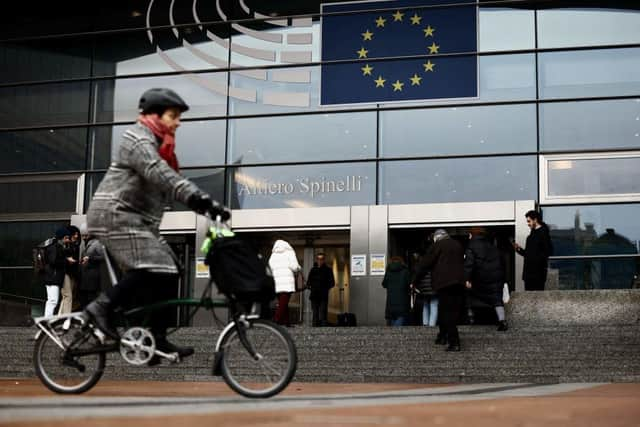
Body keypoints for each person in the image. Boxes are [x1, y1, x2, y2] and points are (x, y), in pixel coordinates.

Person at [83, 88, 230, 363]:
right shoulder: (137, 139)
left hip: (138, 222)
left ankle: (155, 338)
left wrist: (201, 204)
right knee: (155, 266)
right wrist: (202, 200)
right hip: (114, 216)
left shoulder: (162, 146)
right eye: (173, 116)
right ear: (155, 115)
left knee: (172, 267)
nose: (178, 122)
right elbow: (161, 175)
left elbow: (169, 178)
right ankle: (100, 308)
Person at [414, 229, 465, 352]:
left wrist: (414, 280)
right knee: (448, 310)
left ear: (437, 237)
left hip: (444, 283)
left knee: (446, 311)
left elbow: (425, 264)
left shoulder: (437, 245)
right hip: (458, 283)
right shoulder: (457, 245)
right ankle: (442, 336)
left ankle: (454, 341)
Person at [464, 227, 508, 331]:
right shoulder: (492, 246)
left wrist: (467, 279)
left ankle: (471, 317)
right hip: (496, 278)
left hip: (480, 278)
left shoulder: (471, 246)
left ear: (472, 235)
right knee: (497, 299)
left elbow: (469, 264)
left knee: (469, 295)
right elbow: (502, 262)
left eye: (469, 235)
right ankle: (502, 321)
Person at [513, 210, 553, 291]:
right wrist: (518, 249)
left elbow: (548, 251)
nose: (528, 224)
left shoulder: (543, 233)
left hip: (537, 275)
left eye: (529, 221)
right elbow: (528, 254)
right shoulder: (532, 234)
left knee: (536, 299)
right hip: (529, 275)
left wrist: (535, 260)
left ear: (535, 220)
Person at [268, 239, 301, 327]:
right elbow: (294, 267)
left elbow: (270, 266)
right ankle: (276, 320)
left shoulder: (273, 254)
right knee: (283, 303)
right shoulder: (289, 252)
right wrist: (298, 268)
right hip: (287, 282)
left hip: (277, 281)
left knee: (283, 302)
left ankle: (287, 322)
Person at [43, 228, 71, 317]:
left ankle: (47, 320)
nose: (67, 240)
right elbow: (53, 261)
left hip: (52, 277)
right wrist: (66, 260)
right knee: (53, 300)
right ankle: (47, 321)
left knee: (52, 300)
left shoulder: (56, 246)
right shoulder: (54, 247)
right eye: (66, 238)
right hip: (52, 277)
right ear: (60, 238)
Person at [79, 231, 107, 309]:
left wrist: (90, 258)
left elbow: (103, 257)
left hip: (92, 276)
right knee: (84, 298)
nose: (84, 238)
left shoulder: (97, 243)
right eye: (83, 236)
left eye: (85, 235)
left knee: (91, 298)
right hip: (85, 276)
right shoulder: (85, 244)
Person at [307, 253, 335, 327]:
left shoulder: (328, 270)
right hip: (314, 294)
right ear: (316, 260)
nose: (320, 260)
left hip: (323, 294)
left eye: (321, 259)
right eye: (318, 259)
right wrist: (311, 287)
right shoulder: (313, 270)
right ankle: (315, 325)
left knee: (323, 311)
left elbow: (332, 282)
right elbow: (308, 282)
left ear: (324, 260)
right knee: (315, 312)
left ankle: (323, 326)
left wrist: (325, 288)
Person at [382, 256, 411, 326]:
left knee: (392, 325)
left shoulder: (388, 271)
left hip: (391, 302)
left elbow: (384, 284)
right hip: (402, 302)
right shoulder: (405, 271)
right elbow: (409, 284)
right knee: (399, 325)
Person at [58, 226, 79, 314]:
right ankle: (65, 319)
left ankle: (59, 318)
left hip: (70, 273)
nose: (76, 236)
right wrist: (68, 260)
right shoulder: (63, 245)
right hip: (64, 272)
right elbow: (58, 259)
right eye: (75, 234)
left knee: (66, 297)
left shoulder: (73, 245)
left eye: (77, 234)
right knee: (68, 296)